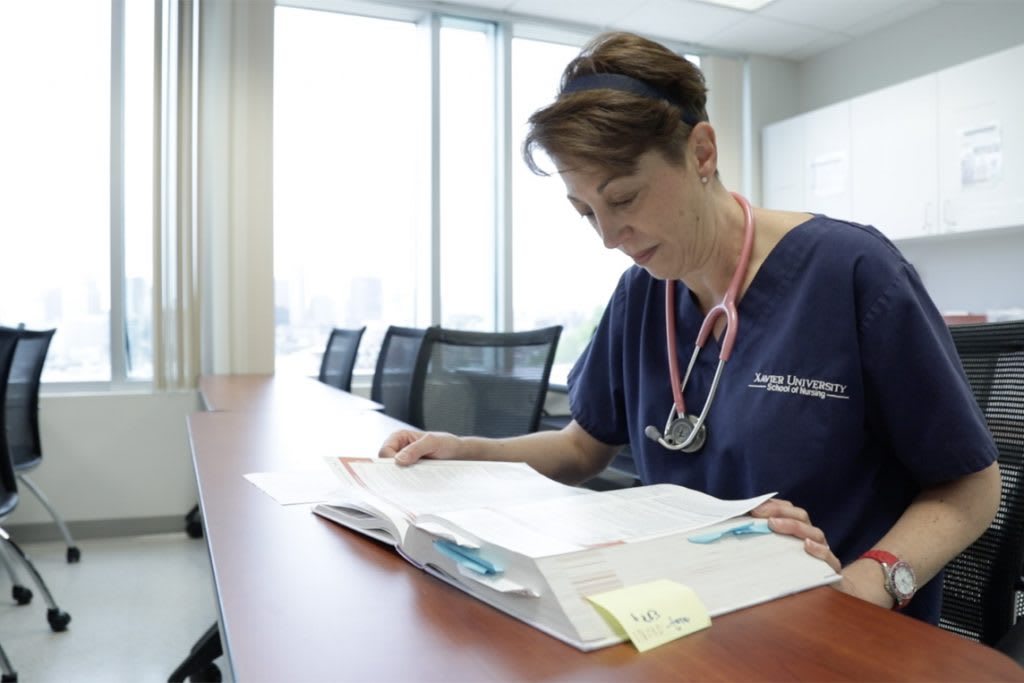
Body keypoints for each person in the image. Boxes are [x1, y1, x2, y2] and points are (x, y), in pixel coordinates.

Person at [379, 31, 1000, 623]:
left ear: (701, 152)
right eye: (585, 211)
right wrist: (467, 452)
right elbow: (580, 447)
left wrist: (867, 584)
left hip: (836, 628)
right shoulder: (641, 295)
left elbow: (971, 487)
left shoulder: (853, 273)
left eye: (623, 199)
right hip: (691, 616)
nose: (608, 237)